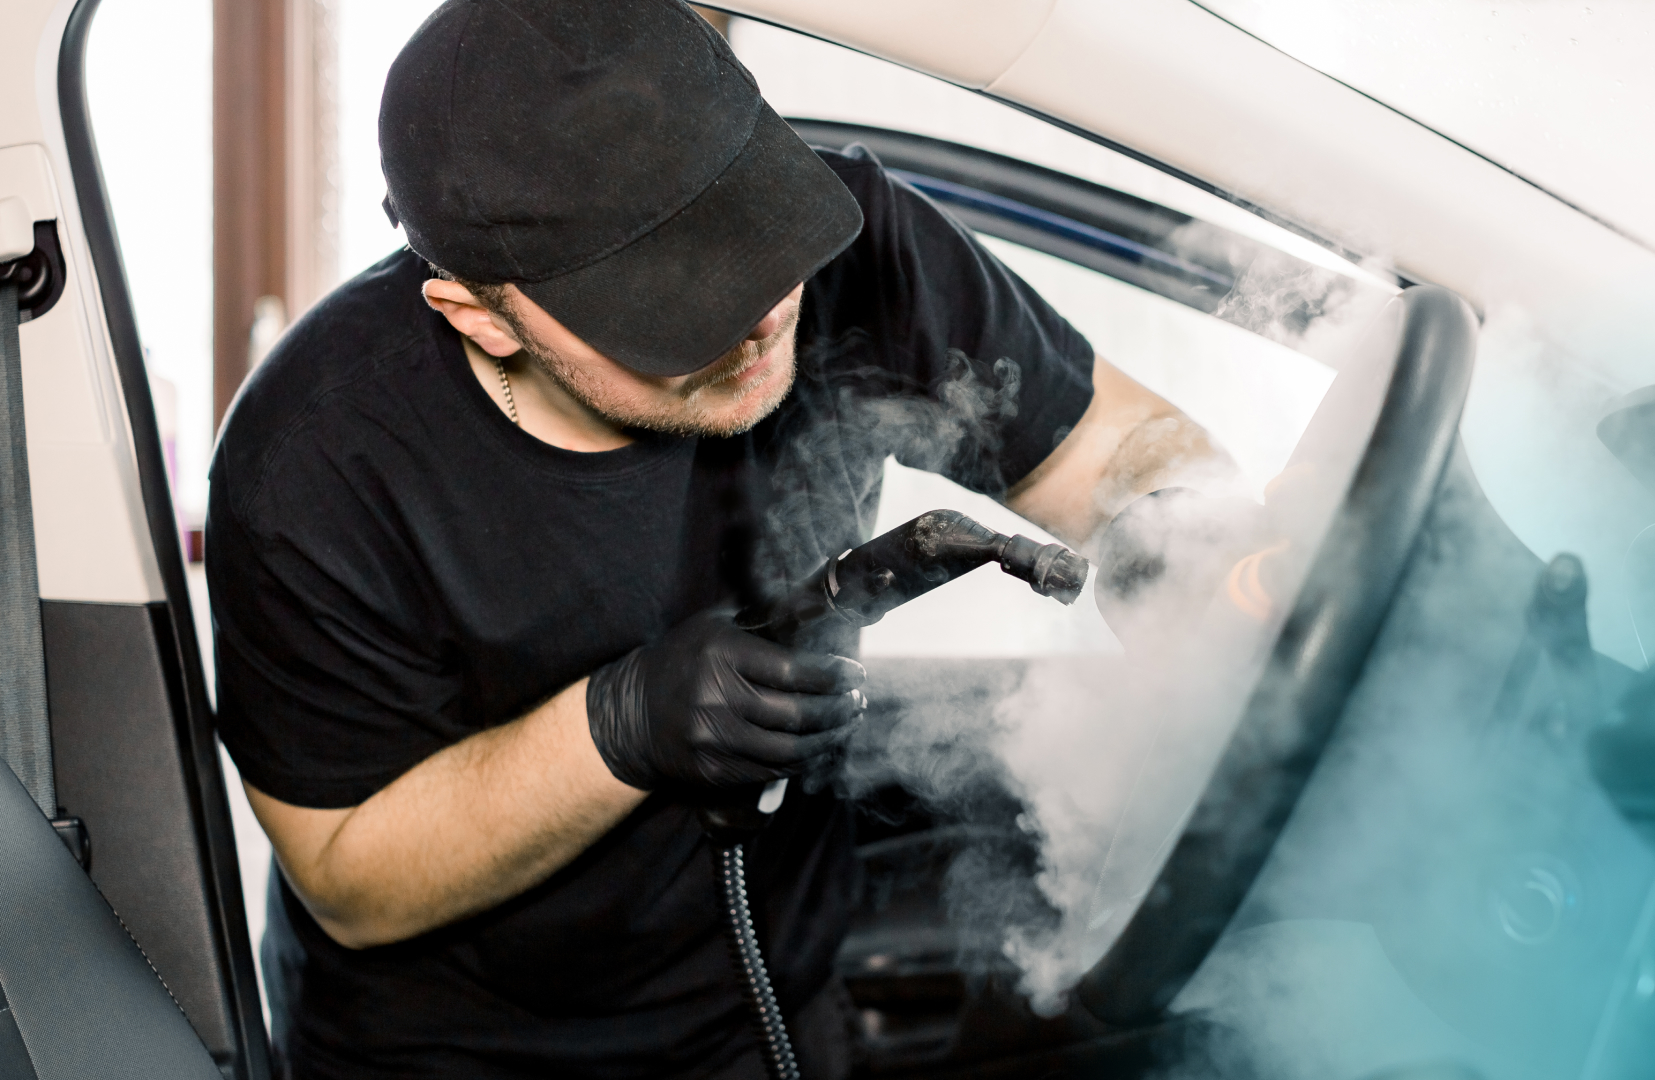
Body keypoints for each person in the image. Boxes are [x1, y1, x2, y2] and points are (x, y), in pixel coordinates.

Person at [207, 2, 1234, 1076]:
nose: (758, 313)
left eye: (753, 232)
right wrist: (619, 725)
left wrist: (1174, 543)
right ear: (483, 317)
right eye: (671, 298)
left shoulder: (864, 243)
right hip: (461, 1052)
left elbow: (1115, 449)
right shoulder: (317, 462)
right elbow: (347, 876)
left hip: (778, 1002)